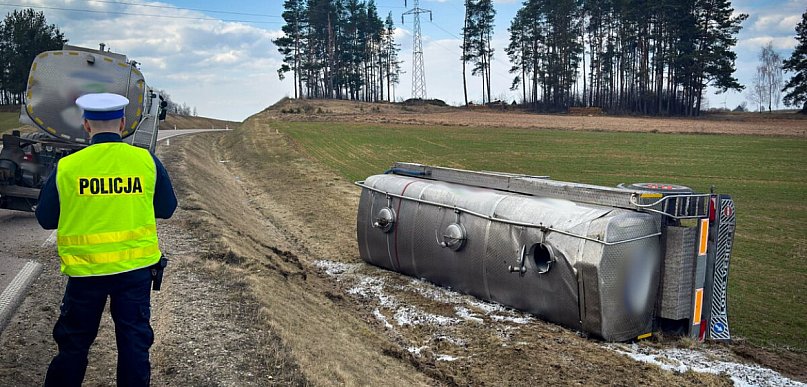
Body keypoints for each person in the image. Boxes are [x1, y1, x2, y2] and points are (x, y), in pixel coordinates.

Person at [35, 92, 177, 387]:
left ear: (86, 125)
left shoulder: (68, 167)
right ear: (123, 124)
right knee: (134, 346)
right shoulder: (145, 161)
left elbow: (46, 219)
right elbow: (167, 209)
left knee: (74, 345)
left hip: (85, 273)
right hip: (135, 272)